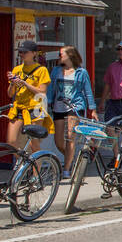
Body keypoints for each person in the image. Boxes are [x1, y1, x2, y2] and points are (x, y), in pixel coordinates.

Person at [47, 45, 96, 177]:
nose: (59, 56)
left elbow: (88, 92)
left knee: (70, 137)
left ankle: (67, 169)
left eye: (61, 54)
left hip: (75, 107)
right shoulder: (56, 70)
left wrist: (93, 109)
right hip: (58, 107)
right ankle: (71, 157)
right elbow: (51, 88)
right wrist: (48, 102)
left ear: (70, 55)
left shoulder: (81, 72)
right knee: (58, 141)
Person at [5, 40, 51, 153]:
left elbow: (42, 91)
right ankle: (26, 165)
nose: (22, 54)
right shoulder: (17, 69)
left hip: (35, 109)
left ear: (34, 53)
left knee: (33, 143)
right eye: (20, 52)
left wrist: (25, 83)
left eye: (25, 52)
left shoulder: (41, 70)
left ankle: (36, 170)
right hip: (19, 108)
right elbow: (10, 94)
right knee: (11, 142)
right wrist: (12, 83)